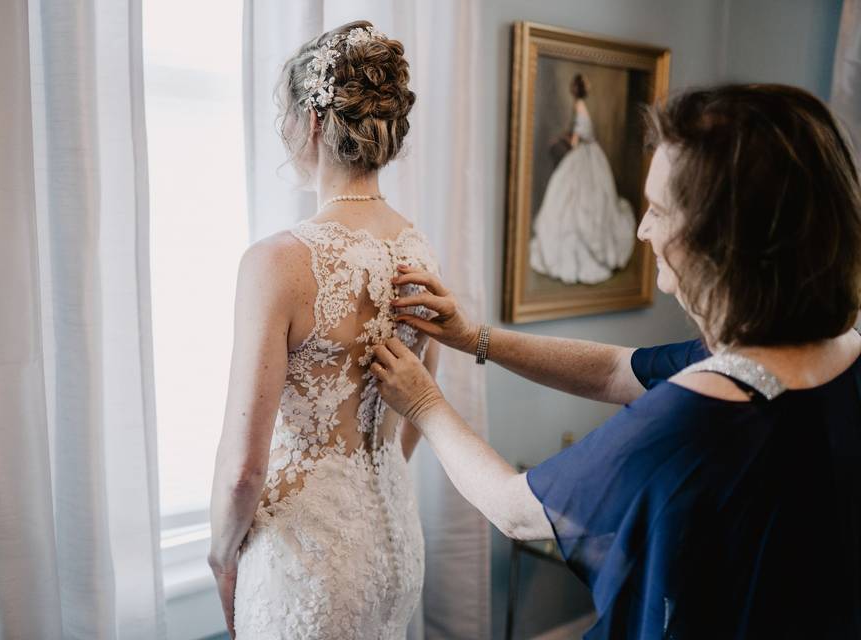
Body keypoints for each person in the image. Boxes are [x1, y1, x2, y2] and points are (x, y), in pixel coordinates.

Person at [374, 84, 861, 638]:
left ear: (721, 239)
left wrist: (423, 402)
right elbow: (616, 371)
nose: (641, 229)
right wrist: (473, 337)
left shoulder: (701, 416)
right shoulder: (828, 347)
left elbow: (514, 510)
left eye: (658, 210)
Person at [206, 21, 439, 639]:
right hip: (395, 542)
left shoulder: (275, 262)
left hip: (306, 559)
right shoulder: (419, 248)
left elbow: (242, 473)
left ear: (312, 122)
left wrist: (220, 553)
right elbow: (419, 406)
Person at [530, 73, 636, 284]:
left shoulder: (580, 108)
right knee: (568, 200)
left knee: (579, 200)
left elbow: (580, 137)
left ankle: (586, 255)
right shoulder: (581, 106)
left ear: (575, 91)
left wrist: (566, 141)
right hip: (589, 153)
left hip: (585, 155)